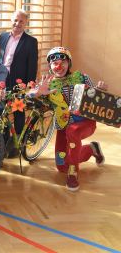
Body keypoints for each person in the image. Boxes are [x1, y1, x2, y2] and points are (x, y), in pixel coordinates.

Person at [31, 47, 106, 191]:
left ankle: (73, 173)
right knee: (61, 165)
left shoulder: (82, 77)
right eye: (55, 63)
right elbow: (30, 95)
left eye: (63, 62)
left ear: (69, 63)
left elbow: (95, 96)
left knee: (73, 132)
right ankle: (92, 149)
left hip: (84, 122)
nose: (59, 66)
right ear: (50, 66)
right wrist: (36, 93)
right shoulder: (48, 83)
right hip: (62, 126)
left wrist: (100, 89)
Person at [0, 9, 38, 155]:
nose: (17, 23)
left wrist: (29, 86)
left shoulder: (31, 42)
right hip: (1, 80)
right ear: (11, 20)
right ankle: (3, 142)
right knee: (2, 112)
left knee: (18, 113)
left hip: (18, 83)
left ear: (26, 23)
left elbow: (32, 66)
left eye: (21, 21)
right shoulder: (2, 37)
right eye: (15, 20)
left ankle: (17, 144)